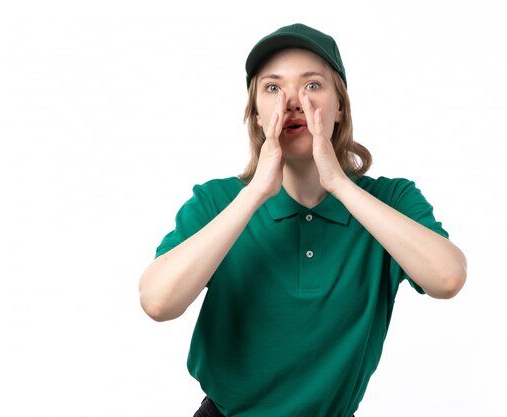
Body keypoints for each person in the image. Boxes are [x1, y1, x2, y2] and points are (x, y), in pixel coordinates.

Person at [139, 23, 467, 417]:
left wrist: (340, 185)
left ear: (340, 106)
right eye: (273, 88)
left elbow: (448, 279)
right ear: (257, 114)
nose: (293, 102)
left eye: (312, 85)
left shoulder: (390, 200)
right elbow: (157, 302)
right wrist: (256, 192)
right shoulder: (217, 200)